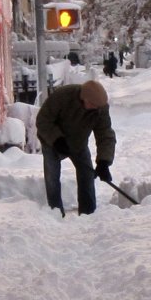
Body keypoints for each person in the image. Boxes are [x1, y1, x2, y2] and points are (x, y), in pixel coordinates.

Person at [36, 78, 115, 215]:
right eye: (92, 105)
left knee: (87, 175)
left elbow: (105, 134)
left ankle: (88, 213)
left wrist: (104, 162)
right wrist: (57, 139)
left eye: (98, 106)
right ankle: (55, 213)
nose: (95, 108)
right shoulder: (63, 96)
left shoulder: (99, 108)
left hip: (78, 143)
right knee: (52, 179)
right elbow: (43, 120)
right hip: (52, 143)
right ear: (84, 99)